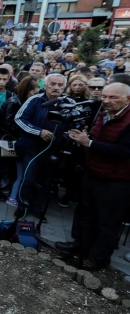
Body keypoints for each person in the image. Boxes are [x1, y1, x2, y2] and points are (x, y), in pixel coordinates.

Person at [56, 83, 130, 270]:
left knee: (107, 221)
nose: (106, 101)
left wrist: (89, 143)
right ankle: (79, 246)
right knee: (85, 212)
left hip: (116, 180)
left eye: (113, 97)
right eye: (105, 96)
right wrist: (84, 137)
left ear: (127, 99)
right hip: (93, 172)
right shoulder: (103, 114)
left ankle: (98, 259)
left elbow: (124, 152)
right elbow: (98, 140)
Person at [14, 73, 69, 218]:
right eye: (53, 84)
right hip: (32, 149)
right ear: (45, 85)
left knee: (45, 181)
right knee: (29, 179)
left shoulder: (69, 103)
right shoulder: (35, 100)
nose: (56, 87)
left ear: (64, 87)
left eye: (60, 85)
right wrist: (39, 132)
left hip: (53, 151)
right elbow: (19, 119)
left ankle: (38, 208)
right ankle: (22, 206)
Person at [0, 76, 40, 206]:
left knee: (4, 167)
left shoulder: (19, 101)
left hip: (7, 139)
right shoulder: (14, 102)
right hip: (5, 140)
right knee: (2, 167)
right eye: (34, 93)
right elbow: (9, 124)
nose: (35, 96)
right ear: (26, 90)